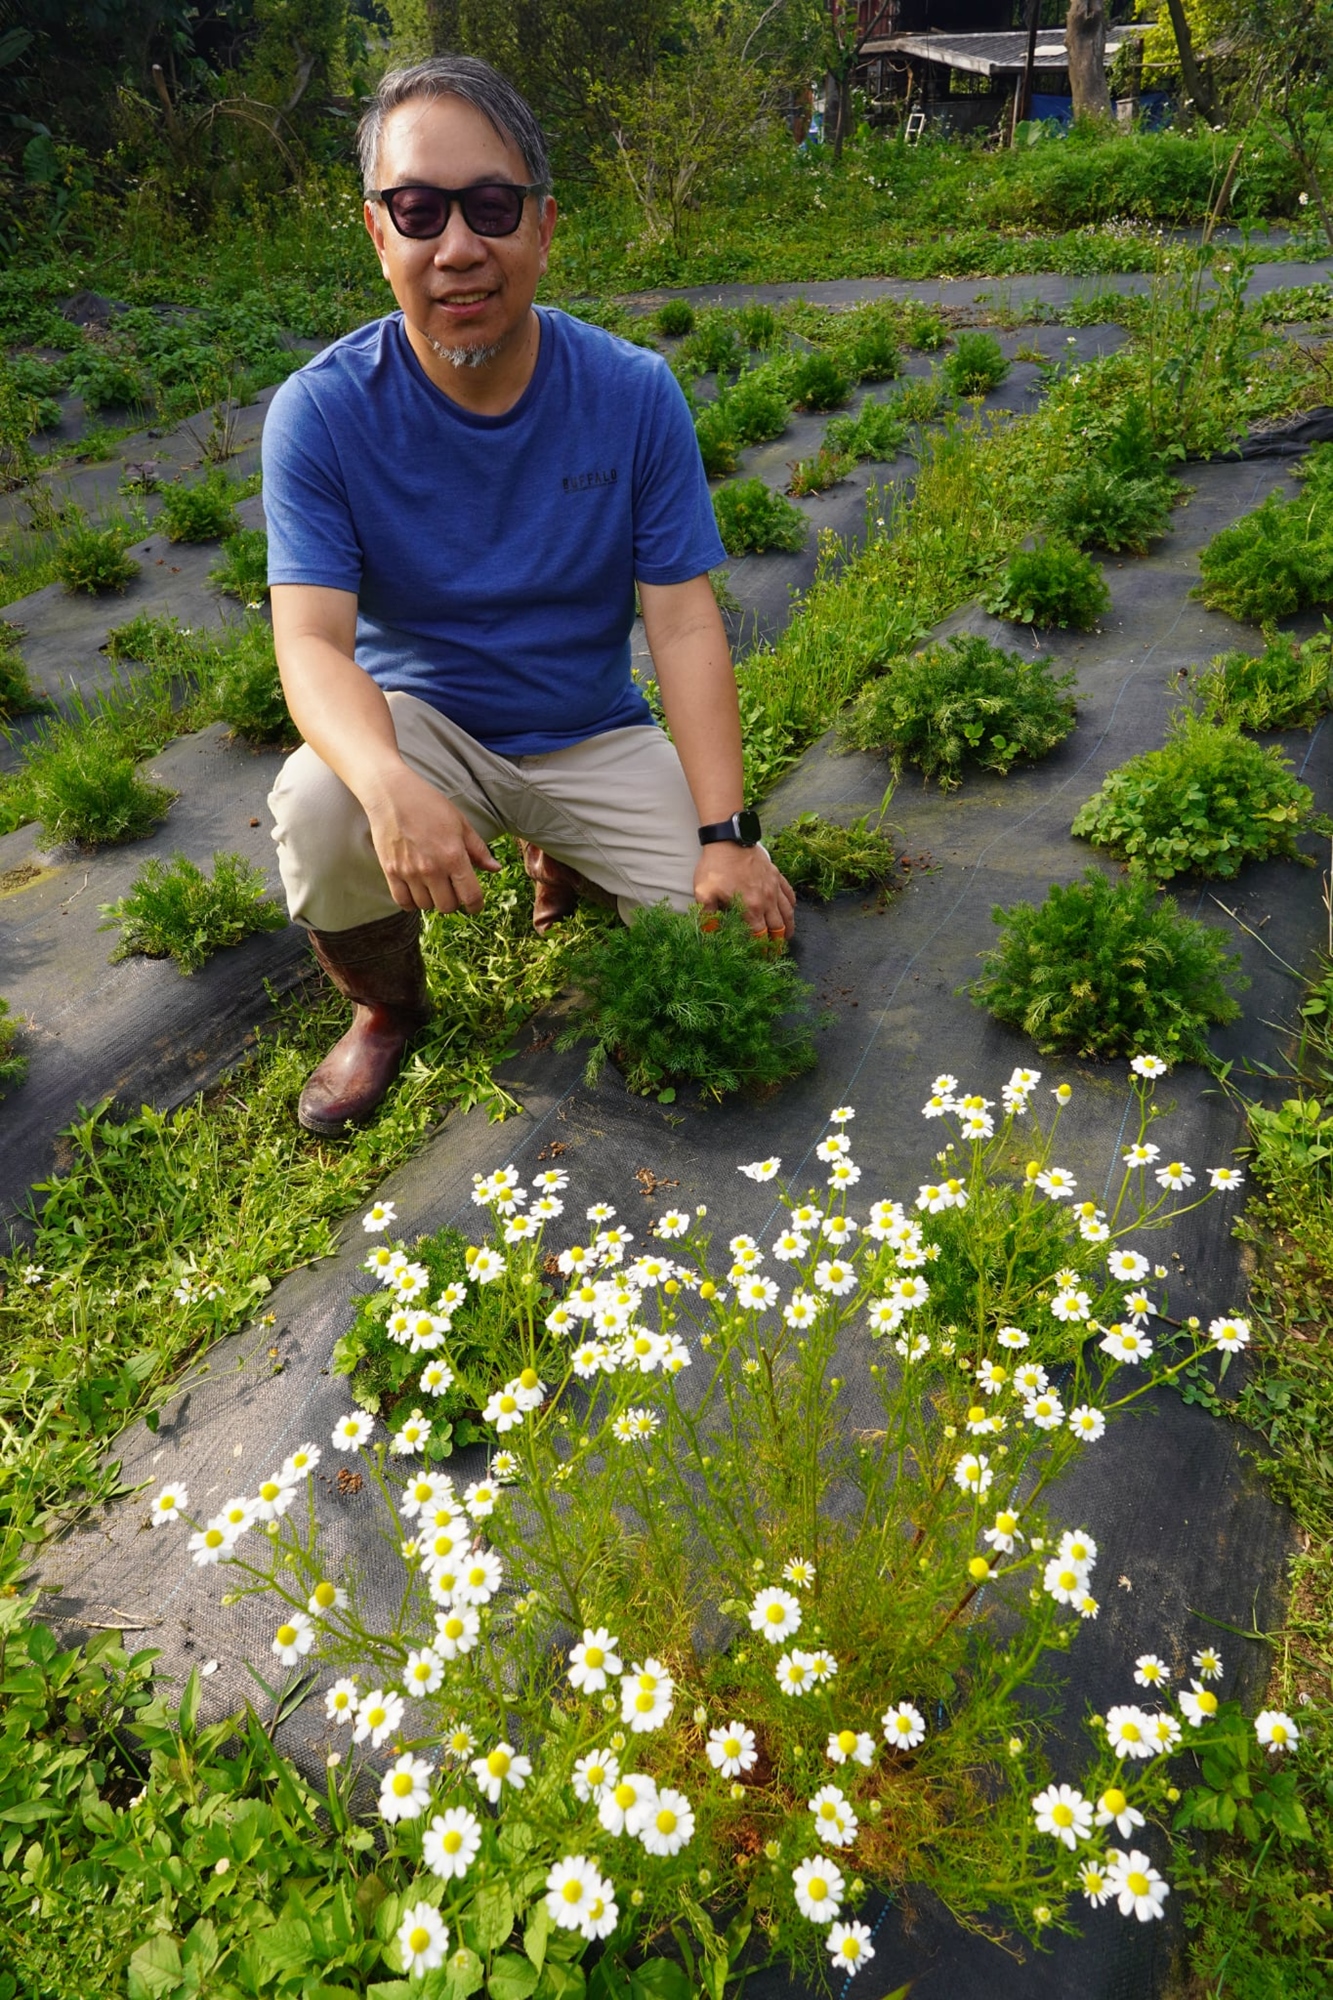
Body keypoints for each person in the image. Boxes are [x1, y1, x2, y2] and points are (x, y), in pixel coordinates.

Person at [262, 54, 795, 1137]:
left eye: (492, 207)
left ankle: (566, 853)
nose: (458, 246)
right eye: (418, 211)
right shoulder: (321, 413)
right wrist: (386, 783)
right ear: (378, 235)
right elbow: (311, 643)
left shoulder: (631, 393)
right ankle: (385, 1009)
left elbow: (682, 620)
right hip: (423, 728)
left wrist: (728, 831)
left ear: (544, 227)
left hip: (587, 729)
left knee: (740, 947)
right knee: (320, 807)